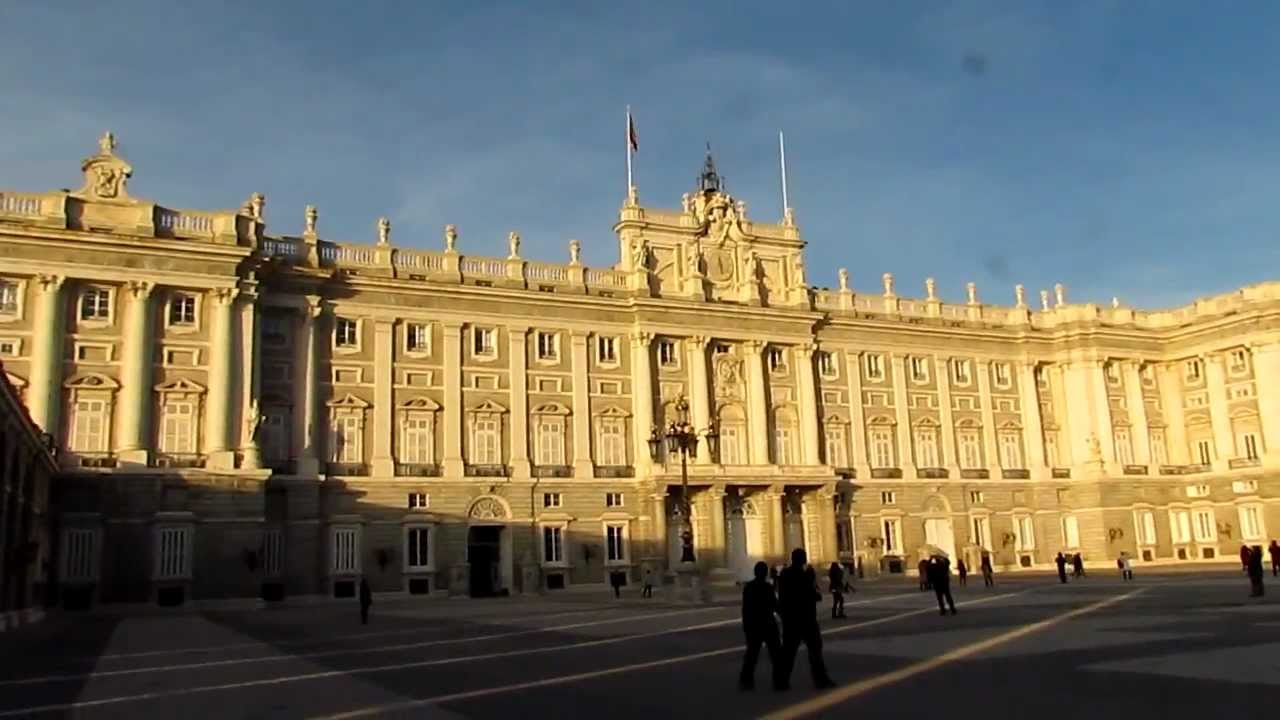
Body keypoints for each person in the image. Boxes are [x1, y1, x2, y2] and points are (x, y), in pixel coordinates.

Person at [776, 548, 835, 690]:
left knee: (788, 652)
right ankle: (820, 679)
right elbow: (811, 594)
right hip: (806, 618)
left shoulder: (785, 574)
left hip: (791, 619)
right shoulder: (804, 575)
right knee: (815, 651)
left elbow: (782, 595)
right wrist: (812, 583)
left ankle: (781, 681)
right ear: (802, 559)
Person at [739, 562, 783, 691]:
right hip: (768, 624)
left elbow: (745, 609)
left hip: (754, 624)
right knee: (775, 654)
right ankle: (779, 681)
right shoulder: (767, 587)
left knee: (752, 654)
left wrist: (746, 626)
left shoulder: (749, 587)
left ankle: (746, 680)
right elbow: (775, 605)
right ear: (765, 573)